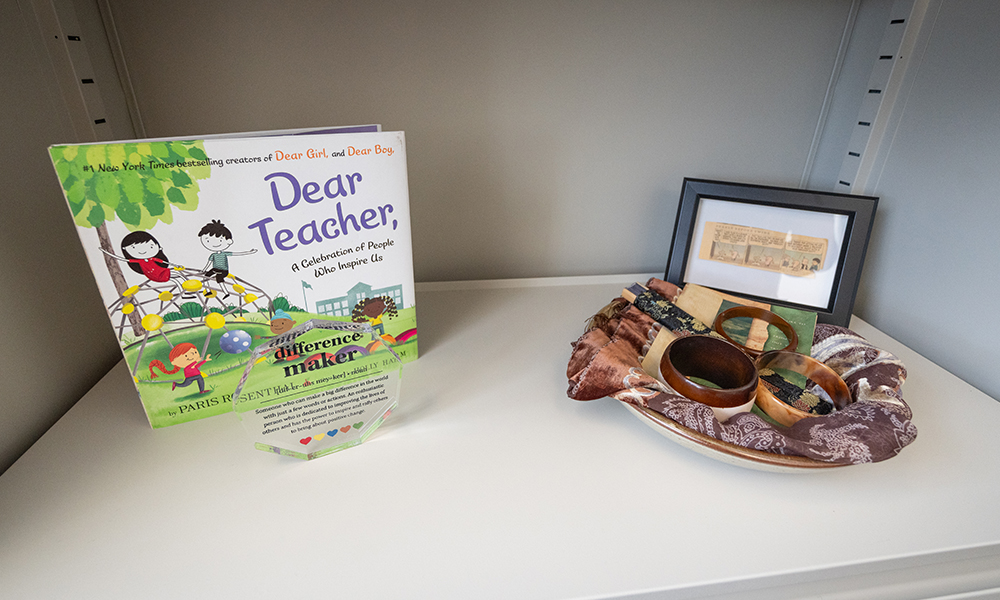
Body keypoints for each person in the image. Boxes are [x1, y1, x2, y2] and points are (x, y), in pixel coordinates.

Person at [198, 220, 257, 296]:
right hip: (215, 269)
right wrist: (203, 270)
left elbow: (237, 254)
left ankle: (226, 292)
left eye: (220, 240)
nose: (214, 243)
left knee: (219, 278)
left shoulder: (225, 254)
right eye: (208, 240)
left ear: (229, 241)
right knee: (205, 276)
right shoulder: (213, 255)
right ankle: (208, 290)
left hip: (223, 270)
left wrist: (250, 252)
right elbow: (208, 263)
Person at [102, 231, 173, 283]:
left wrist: (175, 265)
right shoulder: (139, 261)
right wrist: (107, 253)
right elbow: (123, 259)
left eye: (151, 246)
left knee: (174, 275)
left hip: (160, 270)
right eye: (133, 248)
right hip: (153, 275)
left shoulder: (153, 258)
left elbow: (162, 261)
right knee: (172, 276)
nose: (143, 250)